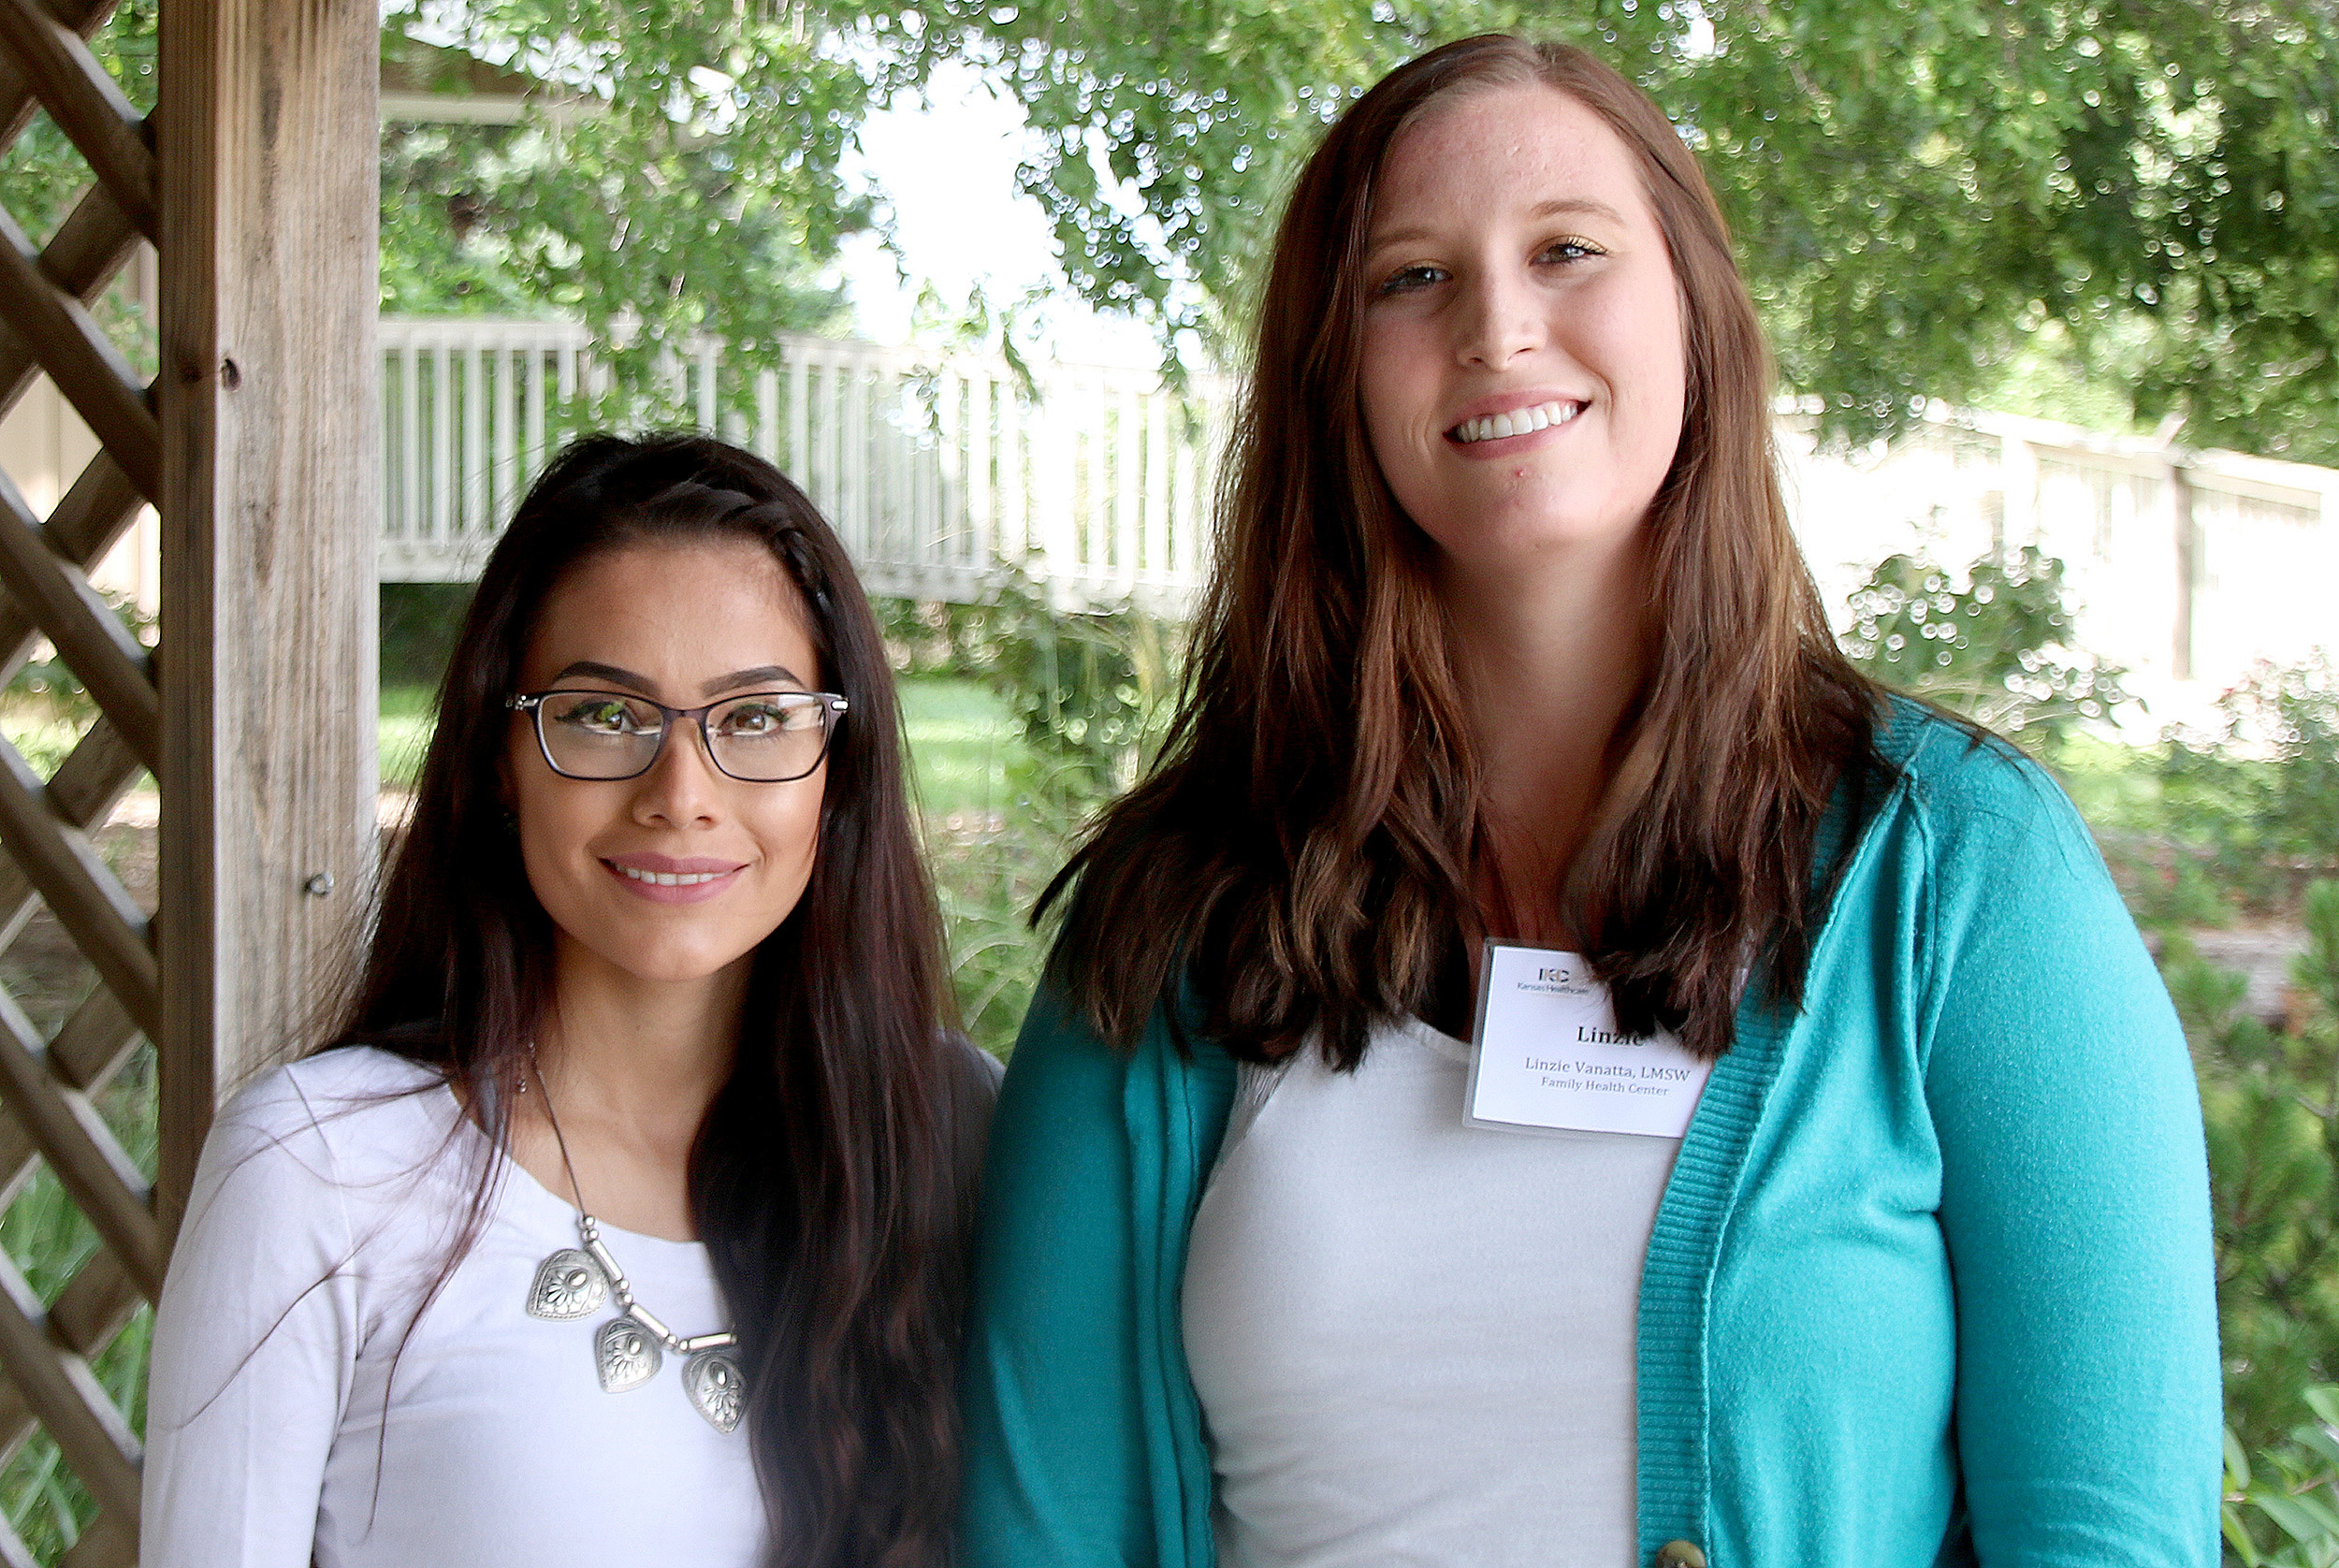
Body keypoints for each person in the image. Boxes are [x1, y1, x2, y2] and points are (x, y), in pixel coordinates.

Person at [956, 35, 2219, 1568]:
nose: (1498, 323)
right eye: (1410, 278)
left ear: (1695, 313)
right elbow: (1045, 1528)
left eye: (1567, 250)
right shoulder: (1173, 916)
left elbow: (2104, 1534)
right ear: (1335, 375)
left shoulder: (1956, 874)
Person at [142, 434, 997, 1568]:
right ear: (502, 756)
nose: (681, 794)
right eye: (602, 716)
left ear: (840, 766)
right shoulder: (319, 1167)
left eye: (753, 718)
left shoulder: (947, 1126)